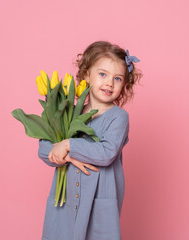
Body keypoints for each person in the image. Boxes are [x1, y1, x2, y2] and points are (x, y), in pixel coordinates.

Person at [38, 41, 142, 240]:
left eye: (117, 78)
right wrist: (68, 158)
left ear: (124, 85)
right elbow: (44, 148)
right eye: (102, 74)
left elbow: (105, 153)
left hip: (98, 202)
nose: (110, 83)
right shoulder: (68, 110)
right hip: (65, 202)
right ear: (86, 75)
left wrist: (68, 145)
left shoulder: (118, 117)